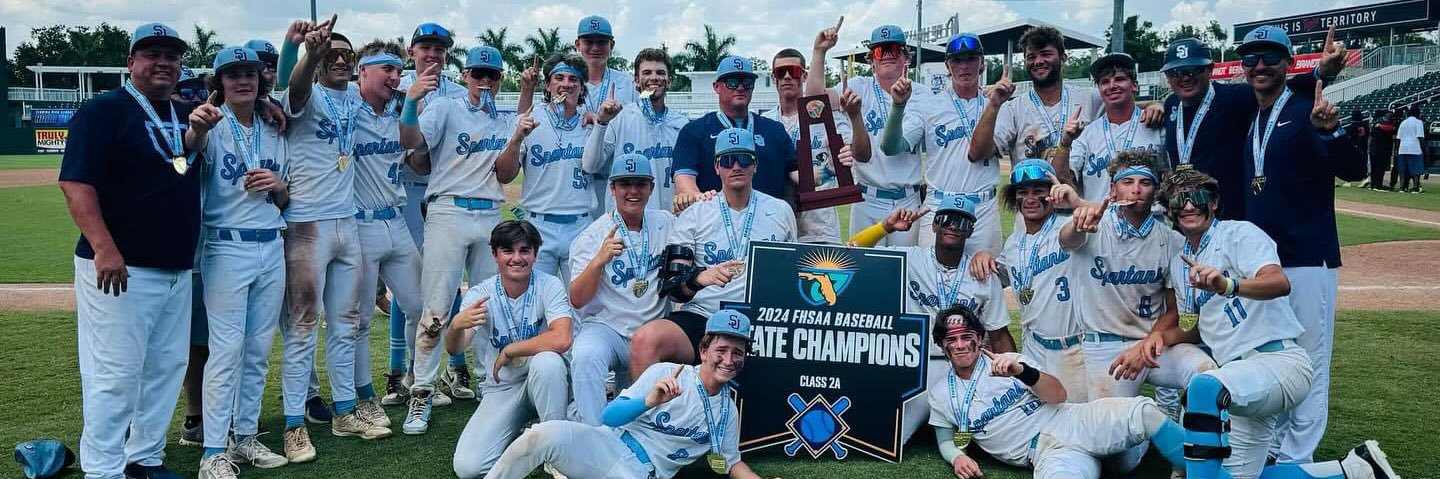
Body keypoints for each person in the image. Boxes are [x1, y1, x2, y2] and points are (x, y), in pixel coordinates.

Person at [1159, 169, 1400, 479]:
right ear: (1170, 209)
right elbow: (1197, 328)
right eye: (1180, 200)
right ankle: (1356, 470)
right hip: (1241, 381)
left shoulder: (1238, 234)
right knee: (1233, 477)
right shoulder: (1181, 261)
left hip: (1277, 362)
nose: (1190, 206)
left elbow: (1278, 282)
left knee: (1202, 387)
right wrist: (1151, 341)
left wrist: (1228, 285)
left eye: (1199, 197)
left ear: (1215, 202)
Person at [60, 22, 199, 479]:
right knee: (114, 374)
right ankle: (102, 469)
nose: (164, 62)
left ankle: (144, 457)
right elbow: (76, 183)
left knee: (165, 368)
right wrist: (104, 248)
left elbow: (240, 105)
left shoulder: (184, 112)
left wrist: (266, 105)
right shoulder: (103, 110)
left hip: (176, 266)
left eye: (172, 55)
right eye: (152, 53)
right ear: (131, 62)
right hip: (120, 266)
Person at [1234, 26, 1366, 465]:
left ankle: (1297, 456)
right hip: (1264, 262)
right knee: (1272, 355)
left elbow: (1352, 169)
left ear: (1290, 63)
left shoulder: (1308, 107)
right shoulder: (1253, 115)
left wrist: (1331, 132)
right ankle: (1272, 447)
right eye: (1250, 58)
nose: (1259, 66)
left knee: (1309, 359)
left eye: (1270, 57)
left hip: (1307, 257)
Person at [1058, 150, 1217, 474]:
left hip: (1151, 345)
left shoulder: (1170, 240)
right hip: (1105, 348)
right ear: (1113, 189)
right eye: (1127, 182)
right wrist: (1078, 222)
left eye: (1145, 182)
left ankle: (1196, 459)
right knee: (1119, 462)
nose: (1136, 189)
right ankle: (1151, 435)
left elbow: (1173, 310)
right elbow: (1068, 238)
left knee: (1205, 373)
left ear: (1155, 190)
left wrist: (1150, 341)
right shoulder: (1093, 226)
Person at [278, 16, 392, 459]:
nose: (341, 61)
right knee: (303, 327)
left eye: (348, 55)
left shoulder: (356, 103)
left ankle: (345, 411)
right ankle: (293, 425)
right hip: (307, 224)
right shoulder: (307, 93)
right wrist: (308, 53)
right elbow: (297, 88)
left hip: (348, 223)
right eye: (333, 55)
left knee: (346, 324)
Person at [484, 309, 777, 479]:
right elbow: (609, 417)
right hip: (605, 445)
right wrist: (650, 400)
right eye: (721, 350)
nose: (729, 359)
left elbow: (731, 463)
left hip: (640, 474)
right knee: (542, 435)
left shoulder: (726, 411)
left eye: (737, 353)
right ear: (703, 350)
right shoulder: (667, 372)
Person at [182, 46, 292, 478]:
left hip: (271, 242)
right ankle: (213, 450)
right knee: (225, 350)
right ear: (220, 82)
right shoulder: (209, 120)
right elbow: (185, 156)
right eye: (232, 75)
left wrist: (279, 185)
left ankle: (245, 436)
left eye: (249, 73)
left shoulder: (273, 126)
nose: (242, 80)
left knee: (258, 349)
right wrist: (196, 132)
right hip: (225, 245)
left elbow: (284, 198)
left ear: (261, 79)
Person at [399, 44, 520, 434]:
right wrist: (411, 103)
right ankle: (421, 391)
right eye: (478, 73)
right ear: (465, 75)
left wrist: (517, 133)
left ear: (500, 80)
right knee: (436, 305)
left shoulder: (503, 119)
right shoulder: (446, 107)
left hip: (488, 212)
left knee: (490, 305)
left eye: (492, 75)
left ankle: (491, 385)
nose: (484, 81)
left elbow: (505, 173)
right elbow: (412, 142)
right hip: (448, 209)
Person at [925, 305, 1188, 479]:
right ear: (941, 345)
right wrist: (957, 456)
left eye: (966, 336)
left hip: (1072, 421)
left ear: (980, 337)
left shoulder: (1009, 360)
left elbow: (1058, 395)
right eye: (951, 339)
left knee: (1144, 413)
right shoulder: (941, 393)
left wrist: (1021, 371)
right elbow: (945, 440)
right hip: (1045, 454)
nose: (960, 345)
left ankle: (1208, 472)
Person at [848, 193, 1013, 445]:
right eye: (946, 219)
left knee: (993, 436)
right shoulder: (910, 258)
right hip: (917, 362)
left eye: (962, 222)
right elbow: (853, 249)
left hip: (964, 367)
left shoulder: (982, 273)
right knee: (889, 438)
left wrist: (1011, 379)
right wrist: (886, 227)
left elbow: (999, 335)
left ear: (970, 231)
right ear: (934, 224)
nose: (953, 226)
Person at [629, 128, 794, 377]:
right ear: (717, 167)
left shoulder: (780, 211)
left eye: (744, 159)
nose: (736, 166)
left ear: (755, 165)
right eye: (728, 160)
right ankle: (647, 415)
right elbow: (673, 291)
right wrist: (699, 279)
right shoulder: (696, 213)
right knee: (646, 339)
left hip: (762, 317)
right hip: (704, 315)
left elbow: (793, 275)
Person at [390, 22, 481, 405]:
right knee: (409, 285)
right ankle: (400, 372)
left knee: (448, 280)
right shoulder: (394, 86)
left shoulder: (459, 93)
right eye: (425, 47)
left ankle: (455, 365)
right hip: (402, 188)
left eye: (439, 49)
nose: (432, 54)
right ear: (411, 51)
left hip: (443, 192)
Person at [448, 220, 575, 478]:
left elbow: (562, 338)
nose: (517, 258)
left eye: (524, 250)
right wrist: (455, 327)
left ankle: (555, 447)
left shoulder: (549, 284)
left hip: (547, 382)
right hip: (502, 388)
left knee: (547, 361)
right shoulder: (480, 294)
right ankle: (526, 433)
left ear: (535, 254)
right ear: (495, 254)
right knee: (468, 468)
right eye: (508, 250)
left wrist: (511, 350)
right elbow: (456, 347)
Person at [1158, 35, 1336, 219]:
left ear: (1209, 69)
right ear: (1167, 76)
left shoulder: (1234, 97)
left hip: (1228, 219)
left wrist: (1321, 73)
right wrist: (1151, 106)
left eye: (1193, 69)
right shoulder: (1171, 104)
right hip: (1186, 216)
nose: (1185, 77)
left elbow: (1281, 88)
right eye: (1176, 72)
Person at [347, 40, 424, 429]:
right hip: (358, 223)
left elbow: (413, 145)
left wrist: (410, 102)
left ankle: (417, 379)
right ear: (362, 72)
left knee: (422, 307)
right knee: (359, 319)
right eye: (386, 70)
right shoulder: (344, 106)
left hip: (396, 220)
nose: (395, 77)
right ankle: (364, 396)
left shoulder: (399, 110)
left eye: (397, 70)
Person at [969, 159, 1090, 403]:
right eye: (1022, 192)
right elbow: (1002, 272)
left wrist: (1075, 206)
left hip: (1073, 348)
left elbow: (1078, 234)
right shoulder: (1015, 242)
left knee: (1076, 423)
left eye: (1039, 191)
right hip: (1033, 347)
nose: (1030, 198)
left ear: (1053, 193)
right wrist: (983, 256)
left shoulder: (1067, 226)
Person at [568, 155, 674, 426]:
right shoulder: (592, 236)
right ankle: (592, 431)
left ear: (651, 188)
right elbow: (577, 299)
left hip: (650, 332)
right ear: (612, 189)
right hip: (607, 329)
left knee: (636, 414)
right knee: (586, 354)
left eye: (640, 183)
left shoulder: (665, 223)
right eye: (625, 184)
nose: (633, 191)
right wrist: (598, 262)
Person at [882, 32, 1001, 252]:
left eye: (971, 59)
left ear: (982, 62)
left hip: (983, 206)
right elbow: (891, 148)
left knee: (985, 278)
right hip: (939, 204)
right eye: (957, 60)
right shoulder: (929, 105)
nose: (964, 66)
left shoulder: (996, 105)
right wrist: (898, 106)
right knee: (932, 280)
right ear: (947, 65)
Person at [810, 23, 926, 246]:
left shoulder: (922, 94)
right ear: (871, 60)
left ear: (906, 57)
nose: (888, 56)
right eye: (881, 51)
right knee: (863, 269)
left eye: (894, 49)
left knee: (903, 270)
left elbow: (892, 148)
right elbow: (814, 100)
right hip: (867, 198)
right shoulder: (859, 86)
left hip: (906, 198)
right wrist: (820, 51)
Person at [502, 53, 597, 278]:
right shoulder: (529, 120)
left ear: (582, 87)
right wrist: (516, 139)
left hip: (580, 224)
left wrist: (600, 122)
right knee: (535, 301)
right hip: (538, 224)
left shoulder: (592, 123)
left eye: (573, 79)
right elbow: (505, 175)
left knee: (581, 305)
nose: (566, 84)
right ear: (547, 85)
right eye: (559, 78)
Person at [762, 46, 867, 244]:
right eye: (780, 72)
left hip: (819, 221)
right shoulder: (764, 123)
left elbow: (853, 148)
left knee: (823, 274)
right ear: (773, 77)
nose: (786, 77)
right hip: (776, 218)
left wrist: (848, 153)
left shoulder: (823, 117)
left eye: (793, 72)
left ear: (804, 76)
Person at [672, 56, 798, 209]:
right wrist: (700, 202)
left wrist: (829, 168)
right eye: (731, 82)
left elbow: (797, 174)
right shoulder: (694, 131)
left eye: (747, 83)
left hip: (768, 222)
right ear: (716, 86)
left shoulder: (775, 130)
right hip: (715, 224)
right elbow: (685, 179)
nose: (740, 88)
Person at [970, 26, 1103, 165]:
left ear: (1063, 58)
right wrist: (994, 104)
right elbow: (978, 154)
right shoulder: (1013, 109)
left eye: (1046, 54)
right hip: (1031, 185)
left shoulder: (1091, 99)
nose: (1038, 61)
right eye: (1031, 57)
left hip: (1074, 186)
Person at [582, 47, 689, 213]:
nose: (654, 77)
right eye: (647, 72)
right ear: (637, 81)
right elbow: (590, 166)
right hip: (625, 223)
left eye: (660, 73)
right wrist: (602, 122)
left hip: (669, 220)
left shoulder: (681, 124)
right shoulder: (619, 117)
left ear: (669, 80)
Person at [1054, 53, 1164, 202]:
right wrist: (1065, 144)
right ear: (1099, 89)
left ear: (1134, 85)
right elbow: (1062, 179)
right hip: (1100, 219)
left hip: (1149, 219)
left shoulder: (1156, 123)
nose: (1112, 86)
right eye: (1105, 82)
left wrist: (1158, 105)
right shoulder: (1087, 134)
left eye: (1119, 79)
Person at [174, 63, 210, 449]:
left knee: (201, 343)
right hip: (168, 254)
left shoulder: (214, 130)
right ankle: (130, 425)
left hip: (210, 253)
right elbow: (177, 169)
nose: (195, 99)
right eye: (186, 93)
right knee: (154, 346)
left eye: (199, 91)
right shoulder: (164, 134)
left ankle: (196, 417)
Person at [575, 14, 638, 218]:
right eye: (589, 41)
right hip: (578, 179)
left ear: (612, 44)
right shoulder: (568, 83)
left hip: (614, 174)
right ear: (577, 44)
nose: (595, 47)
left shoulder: (627, 83)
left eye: (602, 42)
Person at [1397, 107, 1426, 193]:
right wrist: (1423, 149)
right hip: (1414, 148)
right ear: (1417, 113)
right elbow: (1420, 137)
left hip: (1402, 148)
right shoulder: (1418, 122)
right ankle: (1415, 187)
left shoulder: (1403, 122)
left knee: (1402, 169)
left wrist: (1396, 150)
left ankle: (1402, 187)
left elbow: (1398, 138)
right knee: (1415, 169)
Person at [1370, 110, 1397, 191]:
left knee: (1374, 168)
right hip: (1383, 150)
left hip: (1374, 149)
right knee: (1380, 168)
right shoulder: (1389, 126)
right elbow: (1392, 130)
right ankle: (1378, 185)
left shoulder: (1376, 124)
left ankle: (1373, 184)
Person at [1343, 111, 1371, 187]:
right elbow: (1368, 136)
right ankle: (1365, 178)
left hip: (1354, 148)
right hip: (1364, 147)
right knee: (1363, 164)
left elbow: (1348, 138)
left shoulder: (1351, 126)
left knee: (1350, 164)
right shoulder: (1366, 126)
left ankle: (1348, 181)